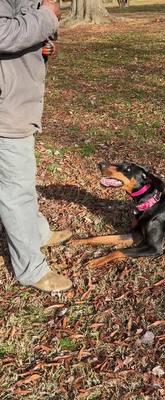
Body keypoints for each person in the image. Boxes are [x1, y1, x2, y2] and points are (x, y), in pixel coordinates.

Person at [0, 0, 72, 292]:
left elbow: (20, 37)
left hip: (17, 106)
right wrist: (46, 16)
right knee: (15, 191)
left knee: (22, 182)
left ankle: (38, 232)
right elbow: (3, 33)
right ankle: (31, 270)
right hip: (7, 111)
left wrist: (43, 48)